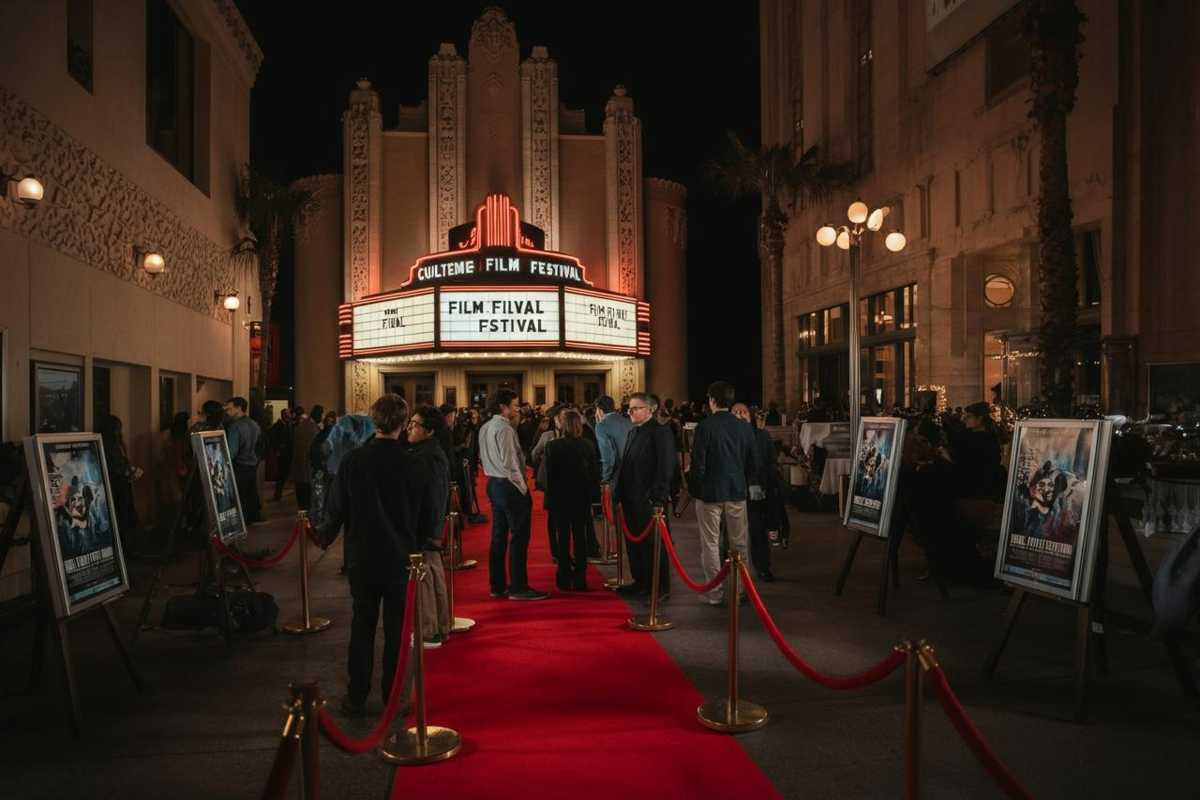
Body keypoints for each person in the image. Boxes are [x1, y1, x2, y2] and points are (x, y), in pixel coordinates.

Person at [316, 394, 432, 718]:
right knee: (397, 630)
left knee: (362, 625)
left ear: (374, 420)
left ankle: (356, 695)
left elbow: (336, 507)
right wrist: (421, 544)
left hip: (362, 555)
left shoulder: (353, 461)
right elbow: (426, 513)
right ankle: (391, 696)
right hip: (402, 558)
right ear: (404, 422)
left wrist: (324, 535)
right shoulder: (415, 463)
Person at [688, 381, 757, 605]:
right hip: (736, 490)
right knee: (740, 543)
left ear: (712, 401)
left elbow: (698, 464)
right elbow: (751, 462)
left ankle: (714, 592)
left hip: (709, 493)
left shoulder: (705, 427)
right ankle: (741, 590)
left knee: (710, 543)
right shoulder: (744, 427)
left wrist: (695, 489)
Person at [478, 389, 548, 600]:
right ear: (503, 406)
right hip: (509, 485)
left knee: (498, 536)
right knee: (519, 536)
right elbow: (511, 464)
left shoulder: (485, 427)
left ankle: (497, 585)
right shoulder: (505, 429)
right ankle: (518, 586)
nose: (518, 408)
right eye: (515, 405)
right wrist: (523, 487)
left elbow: (482, 457)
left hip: (493, 483)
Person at [611, 392, 676, 599]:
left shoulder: (660, 432)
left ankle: (659, 588)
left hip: (649, 499)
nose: (630, 412)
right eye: (629, 408)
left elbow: (665, 468)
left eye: (635, 408)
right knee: (634, 545)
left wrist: (658, 498)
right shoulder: (632, 432)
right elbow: (626, 465)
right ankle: (641, 582)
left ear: (651, 409)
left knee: (653, 545)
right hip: (630, 498)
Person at [407, 406, 451, 647]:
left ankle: (429, 629)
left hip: (425, 527)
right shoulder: (427, 452)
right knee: (433, 574)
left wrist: (429, 530)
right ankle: (440, 626)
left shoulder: (426, 456)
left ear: (430, 430)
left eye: (415, 424)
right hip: (430, 525)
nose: (410, 428)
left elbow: (433, 497)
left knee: (426, 577)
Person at [544, 409, 599, 591]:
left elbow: (550, 477)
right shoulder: (588, 445)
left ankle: (564, 574)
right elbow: (593, 475)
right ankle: (581, 577)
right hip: (581, 496)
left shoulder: (553, 446)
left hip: (560, 497)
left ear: (563, 425)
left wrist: (549, 500)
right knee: (580, 536)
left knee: (563, 537)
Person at [732, 403, 780, 581]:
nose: (740, 414)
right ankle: (731, 568)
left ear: (749, 416)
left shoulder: (762, 435)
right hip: (733, 489)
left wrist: (767, 486)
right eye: (736, 412)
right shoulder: (728, 436)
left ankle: (763, 567)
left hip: (756, 489)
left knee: (758, 529)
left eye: (743, 411)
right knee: (732, 532)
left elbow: (771, 462)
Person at [97, 414, 142, 550]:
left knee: (123, 516)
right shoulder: (109, 445)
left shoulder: (114, 444)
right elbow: (115, 466)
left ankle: (126, 547)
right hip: (116, 486)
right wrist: (128, 471)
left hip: (121, 485)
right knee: (120, 517)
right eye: (117, 429)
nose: (119, 431)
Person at [531, 405, 564, 559]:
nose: (562, 421)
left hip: (567, 481)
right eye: (559, 418)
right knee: (553, 517)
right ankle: (555, 552)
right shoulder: (548, 435)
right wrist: (543, 464)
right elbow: (534, 454)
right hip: (551, 482)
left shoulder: (575, 435)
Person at [224, 397, 262, 524]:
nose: (227, 412)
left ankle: (241, 523)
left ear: (239, 408)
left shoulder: (235, 426)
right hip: (252, 465)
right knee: (250, 495)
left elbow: (231, 452)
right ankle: (251, 520)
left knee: (239, 497)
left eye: (229, 409)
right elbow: (259, 446)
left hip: (239, 466)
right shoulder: (254, 424)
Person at [595, 395, 633, 489]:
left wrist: (605, 478)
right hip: (632, 472)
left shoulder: (602, 426)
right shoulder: (628, 421)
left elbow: (607, 455)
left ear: (599, 410)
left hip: (615, 476)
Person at [290, 407, 319, 511]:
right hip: (309, 467)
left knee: (301, 496)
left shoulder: (299, 427)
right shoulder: (314, 429)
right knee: (309, 496)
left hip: (299, 467)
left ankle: (302, 515)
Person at [267, 408, 294, 501]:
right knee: (281, 475)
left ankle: (280, 493)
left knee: (285, 474)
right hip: (282, 454)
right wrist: (277, 449)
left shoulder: (289, 425)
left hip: (289, 453)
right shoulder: (277, 426)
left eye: (289, 414)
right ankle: (277, 494)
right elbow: (273, 439)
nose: (288, 416)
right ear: (283, 415)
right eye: (287, 414)